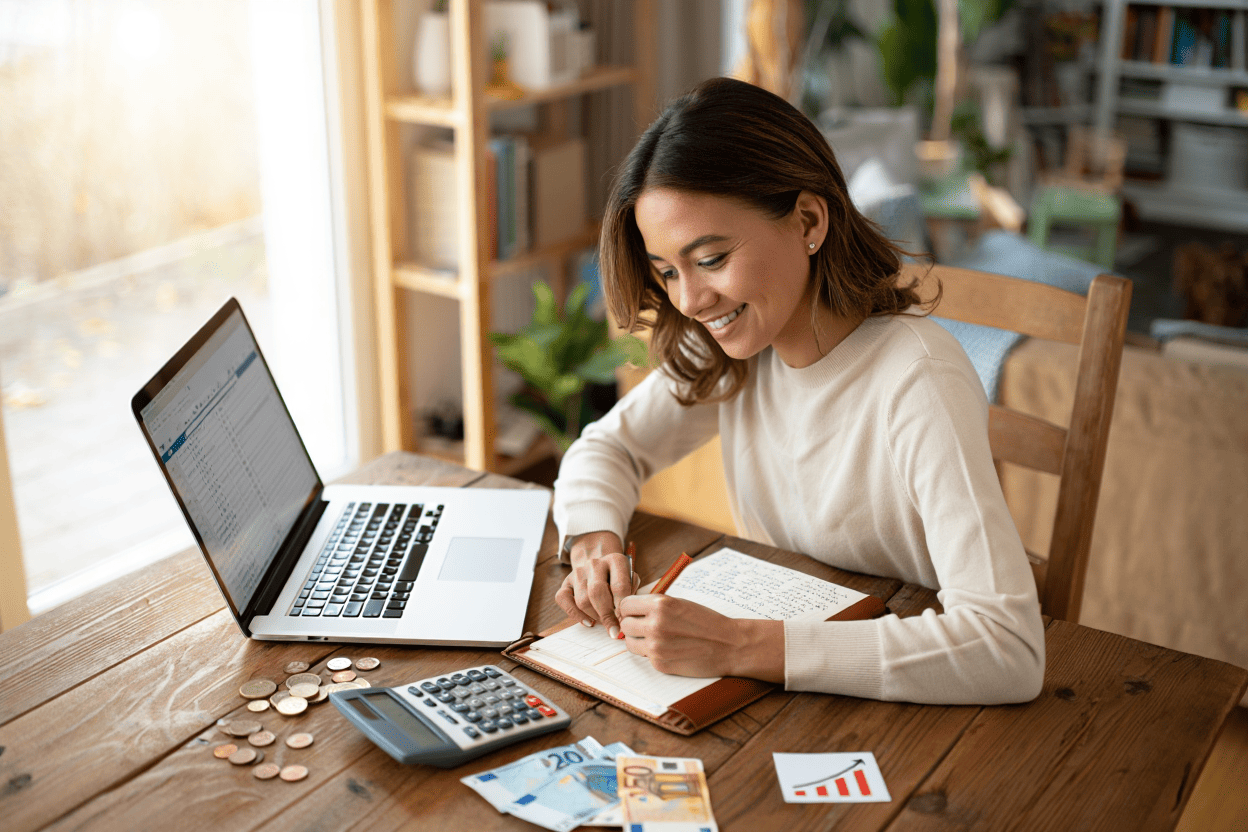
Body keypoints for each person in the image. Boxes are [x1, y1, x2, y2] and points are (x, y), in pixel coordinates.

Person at [551, 76, 1044, 705]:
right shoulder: (736, 353)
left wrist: (738, 647)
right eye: (668, 272)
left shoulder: (918, 378)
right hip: (795, 694)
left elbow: (1008, 648)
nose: (690, 301)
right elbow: (607, 450)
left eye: (711, 259)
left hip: (913, 711)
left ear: (809, 220)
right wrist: (594, 541)